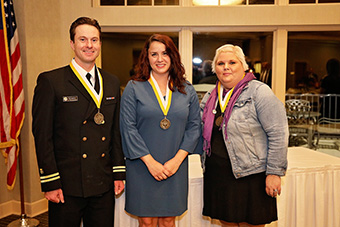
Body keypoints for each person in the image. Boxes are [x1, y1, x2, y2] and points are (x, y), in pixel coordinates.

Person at [32, 17, 126, 227]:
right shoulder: (51, 81)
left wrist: (118, 172)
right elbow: (42, 136)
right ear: (72, 44)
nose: (89, 45)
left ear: (100, 44)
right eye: (82, 39)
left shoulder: (111, 81)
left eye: (94, 40)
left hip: (102, 181)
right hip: (66, 184)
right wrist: (50, 181)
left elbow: (115, 132)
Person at [201, 44, 288, 227]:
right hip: (218, 174)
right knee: (227, 223)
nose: (226, 67)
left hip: (252, 175)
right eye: (220, 63)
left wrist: (274, 172)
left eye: (232, 62)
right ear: (214, 68)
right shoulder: (210, 95)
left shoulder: (259, 92)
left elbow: (278, 133)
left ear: (243, 65)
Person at [120, 34, 202, 227]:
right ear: (146, 58)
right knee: (147, 222)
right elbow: (128, 128)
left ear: (173, 56)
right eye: (154, 54)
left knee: (168, 220)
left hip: (175, 165)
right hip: (142, 165)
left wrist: (176, 160)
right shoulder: (134, 88)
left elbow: (194, 127)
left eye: (165, 53)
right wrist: (150, 163)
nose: (160, 59)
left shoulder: (187, 89)